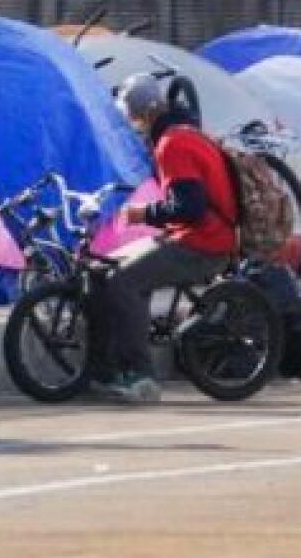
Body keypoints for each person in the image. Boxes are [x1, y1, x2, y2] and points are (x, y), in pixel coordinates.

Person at [92, 71, 239, 404]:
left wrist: (142, 214)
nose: (131, 123)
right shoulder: (185, 133)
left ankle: (142, 376)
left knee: (124, 283)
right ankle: (106, 368)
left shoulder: (172, 145)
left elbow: (189, 207)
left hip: (204, 244)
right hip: (195, 236)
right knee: (107, 268)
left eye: (131, 116)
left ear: (145, 113)